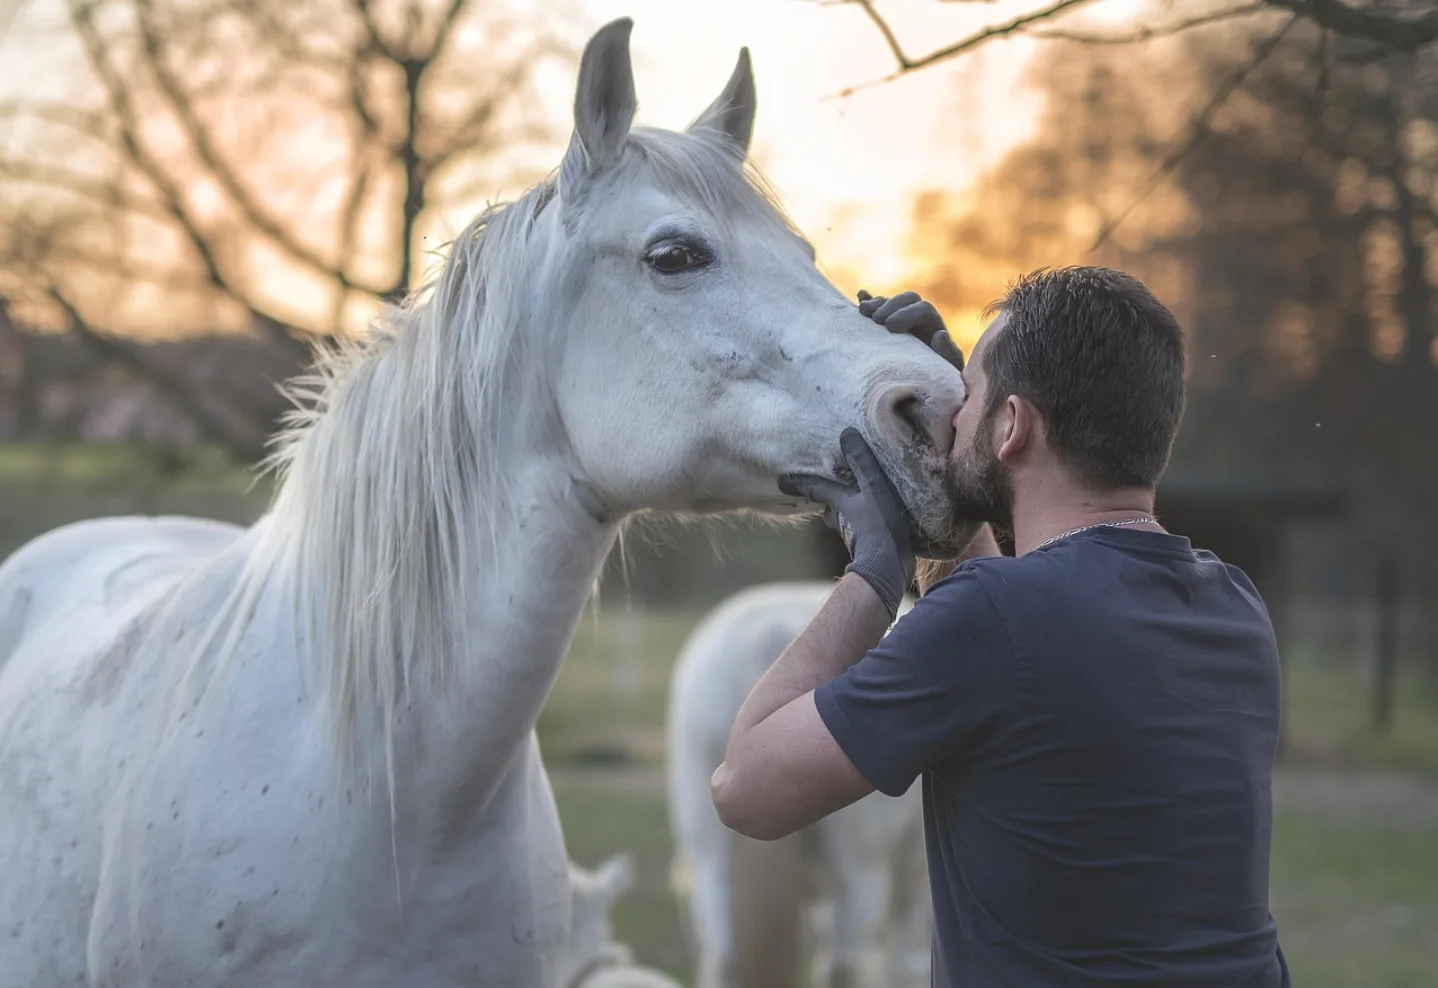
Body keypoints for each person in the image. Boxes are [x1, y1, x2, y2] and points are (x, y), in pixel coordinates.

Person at [709, 266, 1290, 987]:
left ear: (1012, 426)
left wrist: (875, 571)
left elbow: (746, 788)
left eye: (972, 398)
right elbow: (1011, 627)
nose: (956, 416)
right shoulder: (1235, 607)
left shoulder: (995, 620)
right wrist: (947, 460)